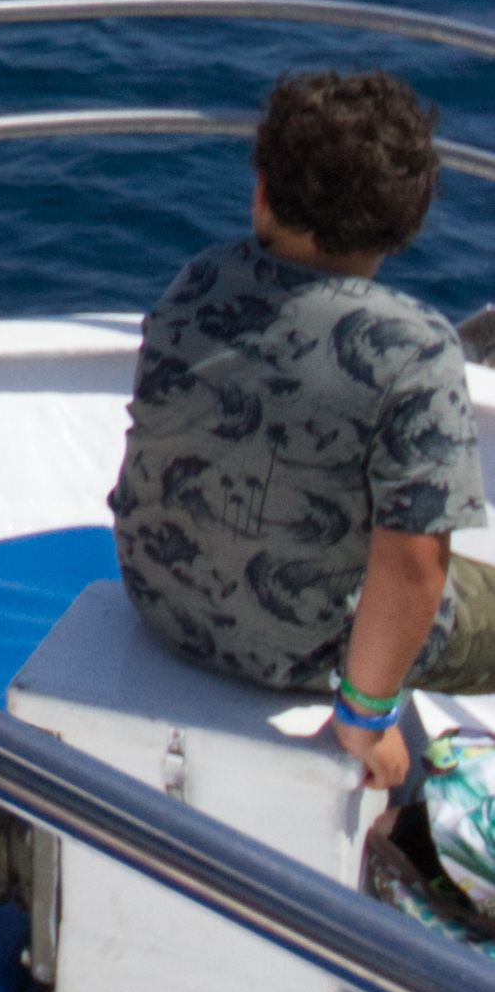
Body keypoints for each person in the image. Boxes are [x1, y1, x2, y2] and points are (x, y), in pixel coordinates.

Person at [114, 68, 492, 791]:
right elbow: (411, 564)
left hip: (164, 606)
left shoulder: (197, 281)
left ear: (261, 191)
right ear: (405, 221)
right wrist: (363, 715)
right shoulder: (414, 351)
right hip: (305, 653)